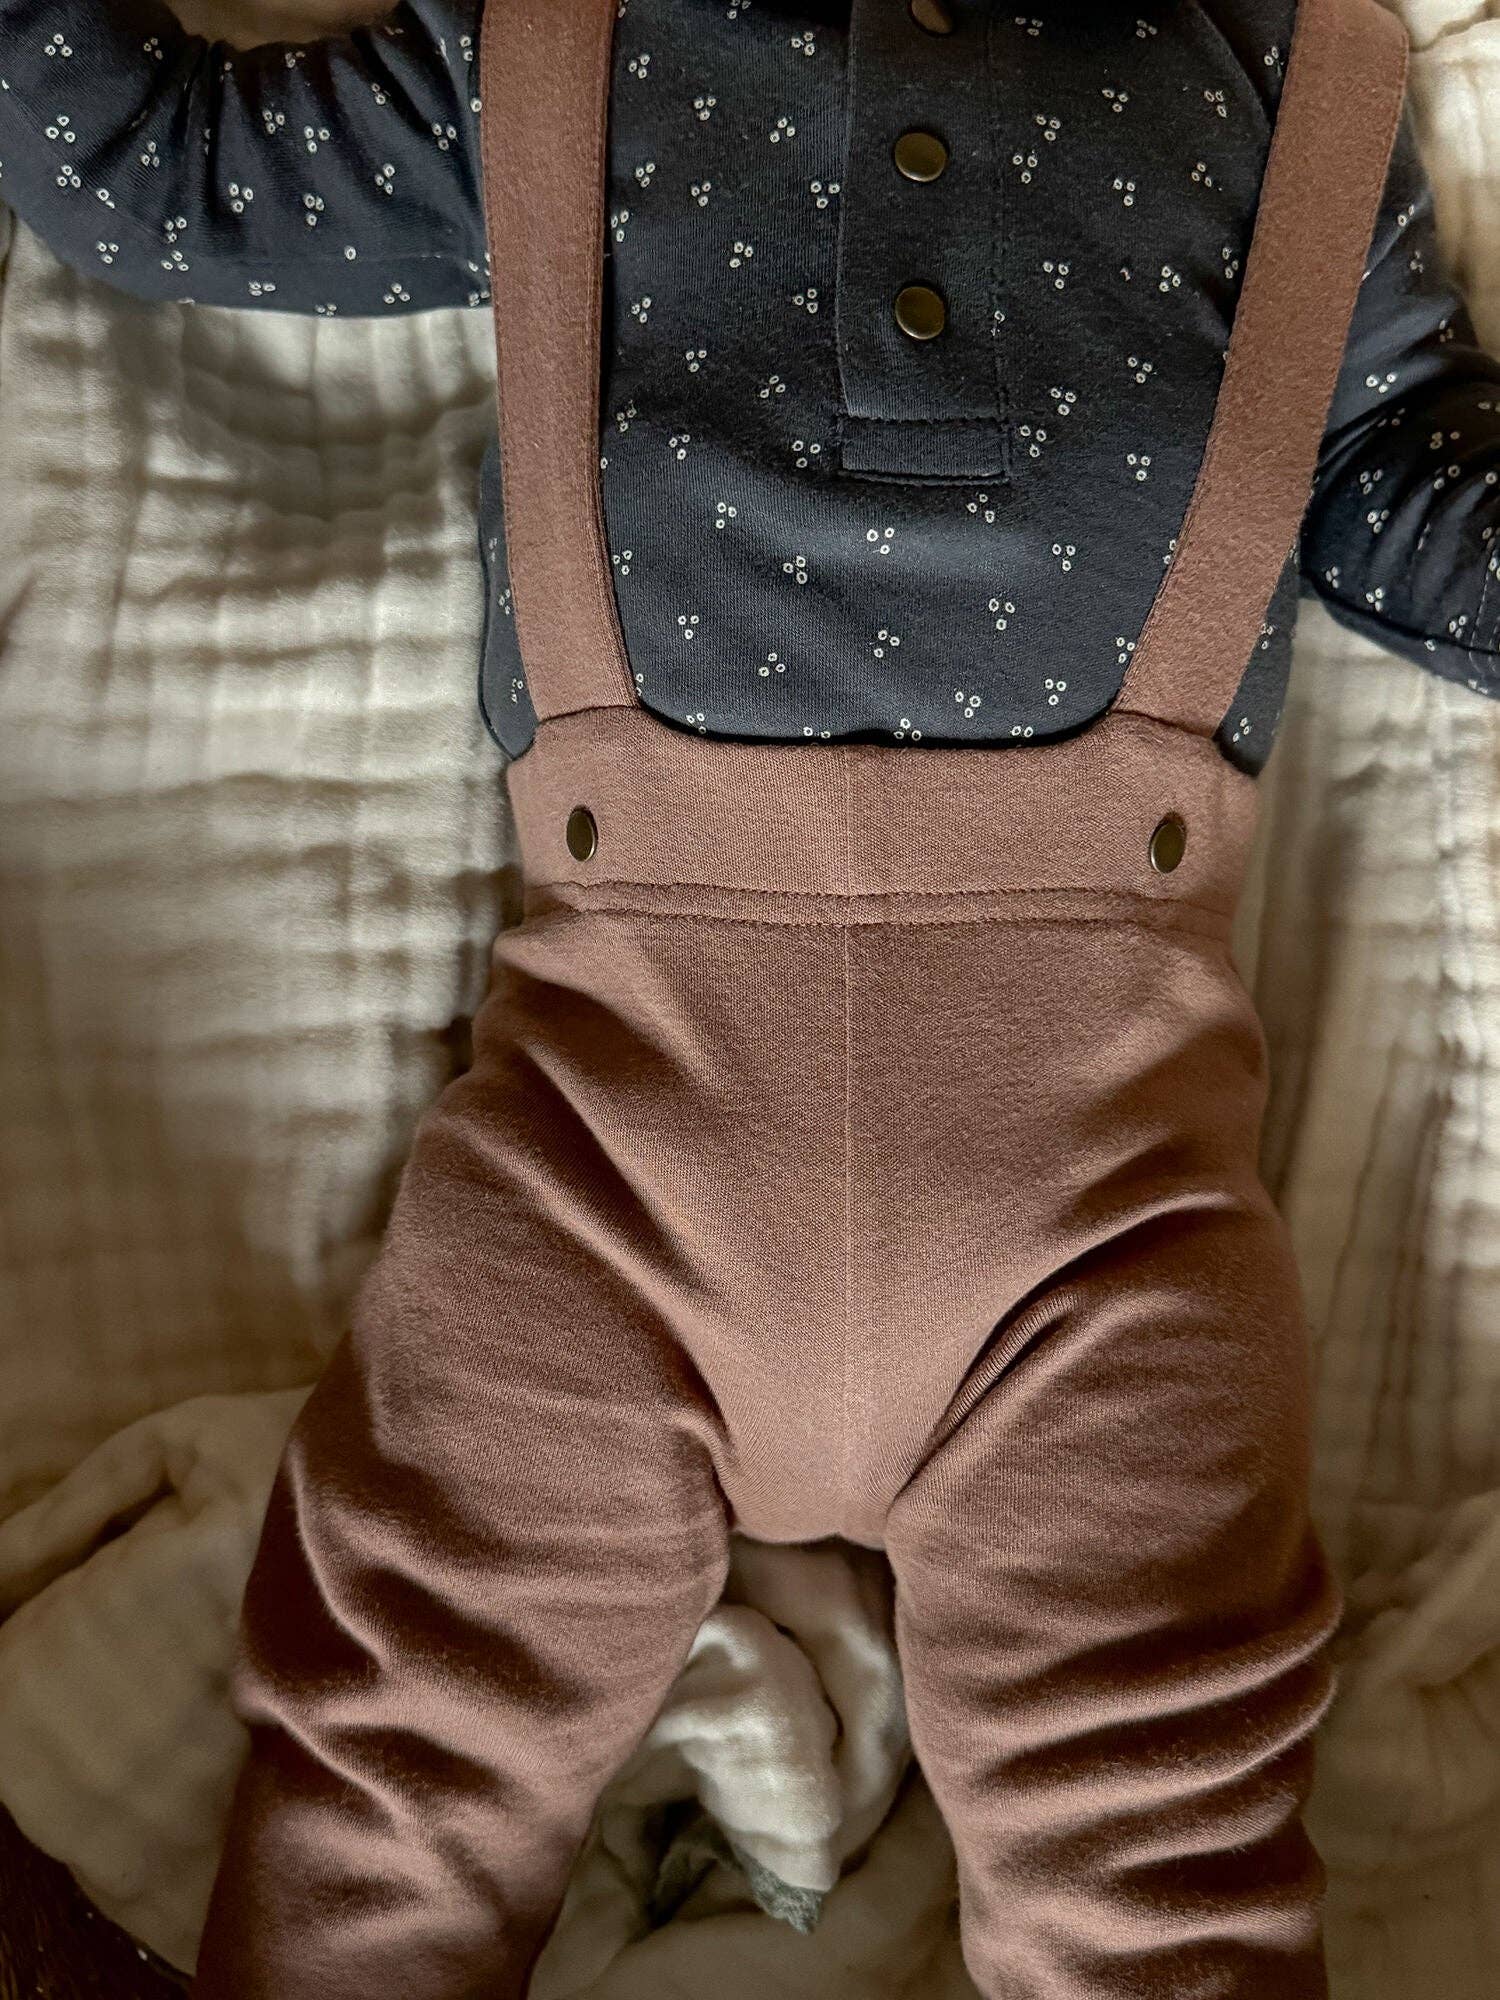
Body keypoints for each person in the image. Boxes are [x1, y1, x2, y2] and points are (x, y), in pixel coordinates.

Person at [0, 1, 1494, 1995]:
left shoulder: (1275, 73)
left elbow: (1398, 464)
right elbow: (172, 177)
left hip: (1098, 1220)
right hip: (604, 1159)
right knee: (398, 1782)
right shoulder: (553, 42)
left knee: (1163, 1862)